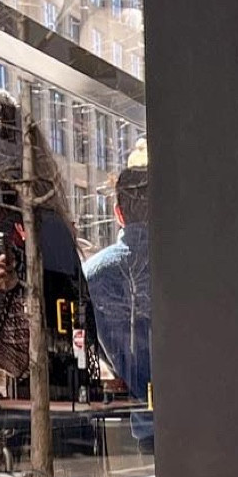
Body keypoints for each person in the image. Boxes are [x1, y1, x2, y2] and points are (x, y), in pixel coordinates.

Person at [0, 79, 101, 433]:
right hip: (54, 425)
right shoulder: (37, 228)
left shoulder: (25, 235)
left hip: (44, 432)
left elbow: (16, 359)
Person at [84, 139, 152, 446]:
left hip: (140, 421)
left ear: (118, 214)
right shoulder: (187, 266)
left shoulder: (92, 274)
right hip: (198, 415)